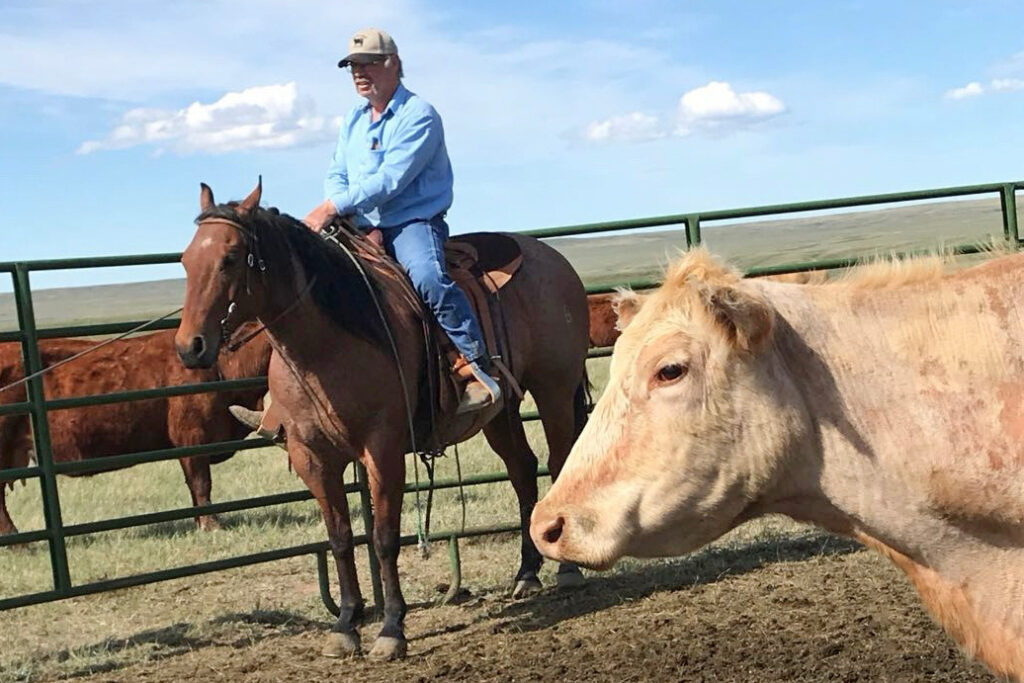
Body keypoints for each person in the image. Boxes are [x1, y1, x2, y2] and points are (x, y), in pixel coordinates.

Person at [230, 28, 499, 439]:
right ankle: (285, 397)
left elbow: (391, 180)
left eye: (367, 64)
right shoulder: (353, 119)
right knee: (304, 283)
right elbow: (338, 170)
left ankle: (473, 364)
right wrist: (338, 206)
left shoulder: (419, 116)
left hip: (409, 222)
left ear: (392, 63)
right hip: (357, 223)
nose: (358, 73)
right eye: (353, 67)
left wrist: (332, 208)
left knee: (427, 277)